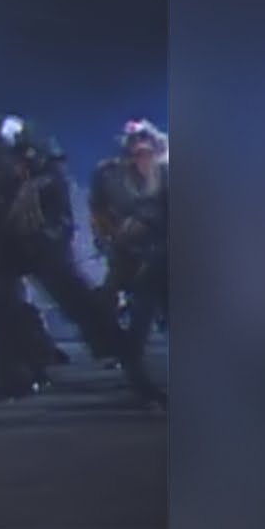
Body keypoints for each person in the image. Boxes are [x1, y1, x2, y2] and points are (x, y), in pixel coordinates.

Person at [0, 90, 164, 406]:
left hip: (35, 232)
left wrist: (41, 204)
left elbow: (53, 167)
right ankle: (14, 379)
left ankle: (128, 361)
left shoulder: (7, 128)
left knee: (74, 298)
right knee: (0, 309)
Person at [89, 118, 169, 369]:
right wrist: (108, 237)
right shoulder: (109, 174)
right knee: (112, 295)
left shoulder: (168, 171)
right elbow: (99, 210)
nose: (141, 152)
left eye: (146, 147)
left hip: (164, 249)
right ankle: (120, 350)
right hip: (126, 246)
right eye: (135, 146)